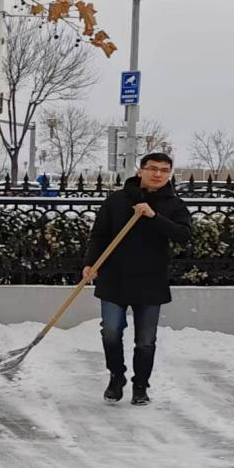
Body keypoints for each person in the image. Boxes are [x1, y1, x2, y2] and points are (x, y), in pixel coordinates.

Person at [82, 153, 192, 405]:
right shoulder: (117, 200)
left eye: (165, 170)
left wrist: (154, 216)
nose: (158, 174)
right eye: (153, 168)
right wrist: (90, 263)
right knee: (110, 331)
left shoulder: (174, 205)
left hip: (150, 280)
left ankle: (140, 385)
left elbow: (184, 235)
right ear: (140, 170)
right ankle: (116, 376)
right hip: (114, 277)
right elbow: (99, 234)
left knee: (145, 340)